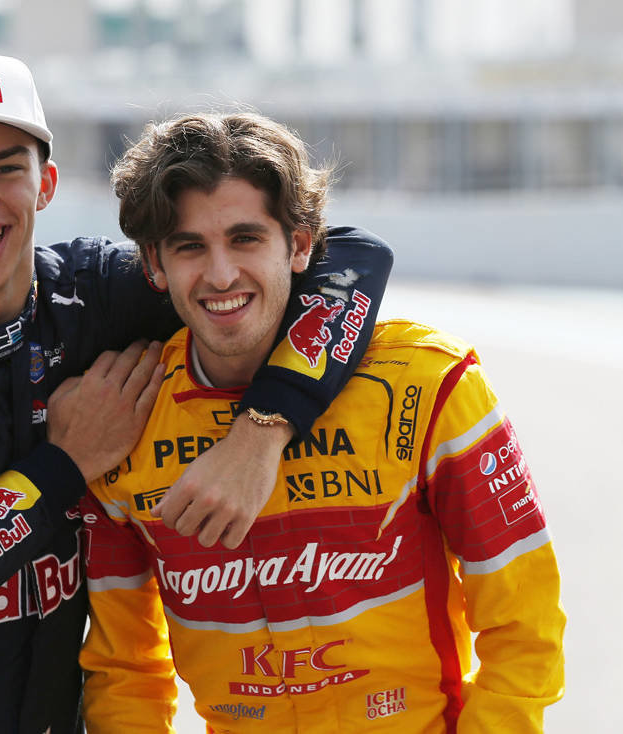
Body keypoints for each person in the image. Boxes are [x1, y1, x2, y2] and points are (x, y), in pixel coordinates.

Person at [0, 49, 392, 733]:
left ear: (44, 183)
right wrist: (62, 466)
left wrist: (263, 430)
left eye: (6, 169)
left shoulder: (96, 294)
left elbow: (351, 257)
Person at [81, 111, 565, 732]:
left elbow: (526, 626)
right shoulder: (127, 415)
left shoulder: (428, 385)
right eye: (189, 246)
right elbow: (126, 670)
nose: (221, 274)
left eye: (246, 238)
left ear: (303, 244)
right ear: (154, 264)